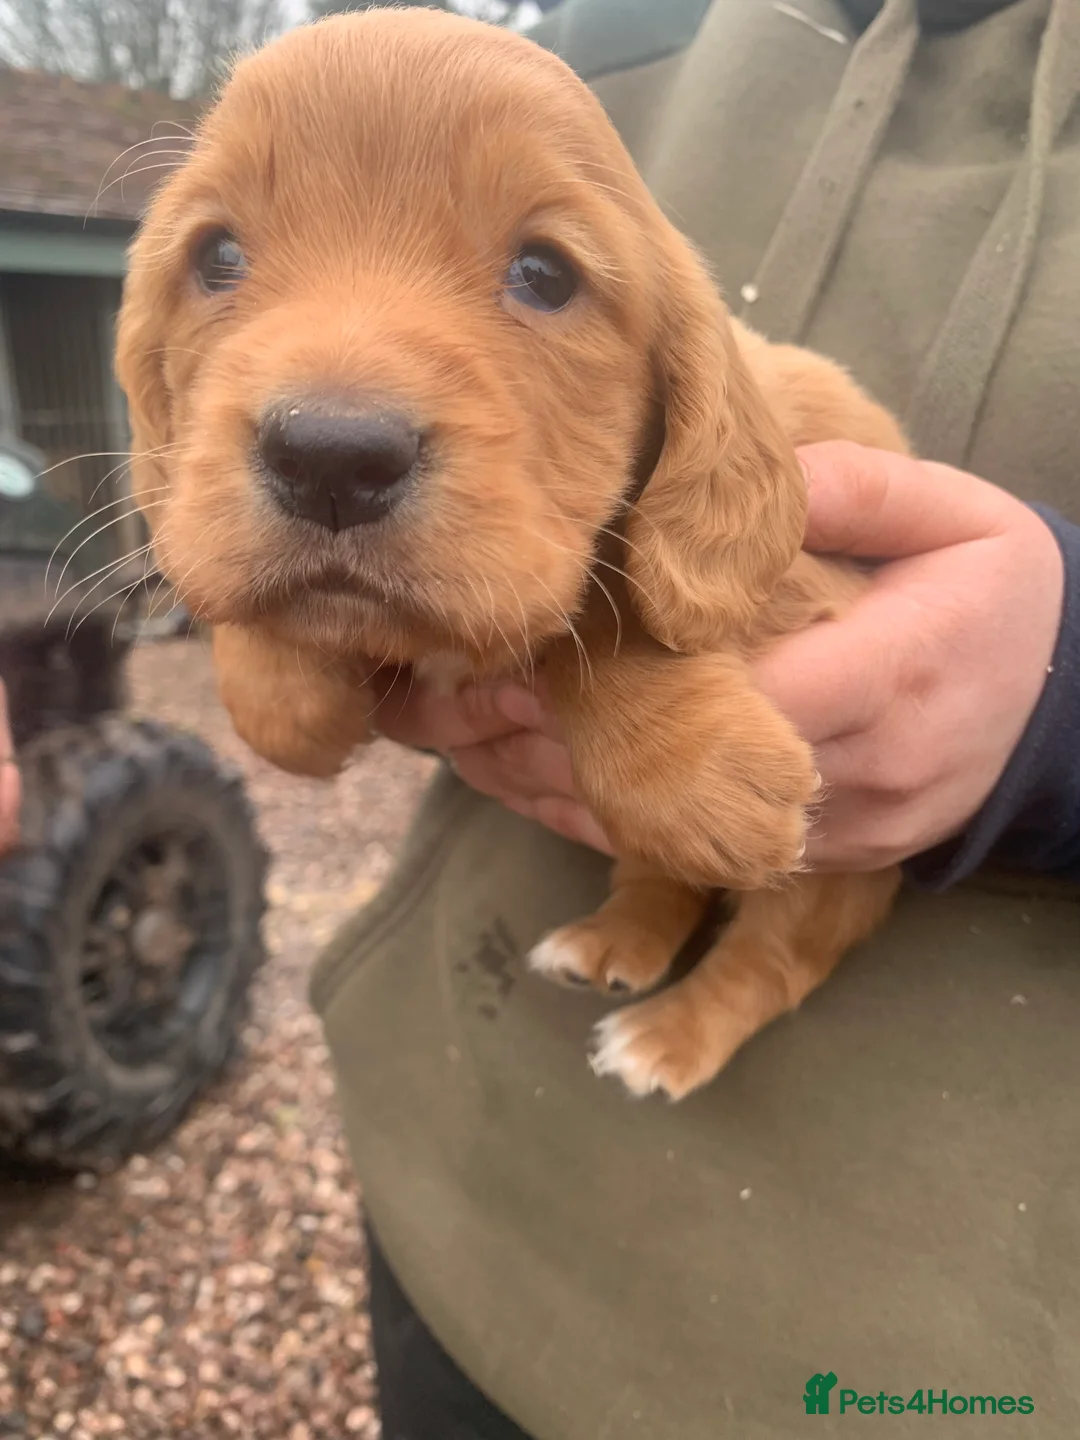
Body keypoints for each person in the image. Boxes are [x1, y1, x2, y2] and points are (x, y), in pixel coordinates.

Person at [308, 0, 1080, 1435]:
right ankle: (646, 923)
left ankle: (728, 989)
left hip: (931, 1336)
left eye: (539, 271)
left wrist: (1064, 707)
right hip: (454, 1163)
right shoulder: (596, 43)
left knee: (761, 809)